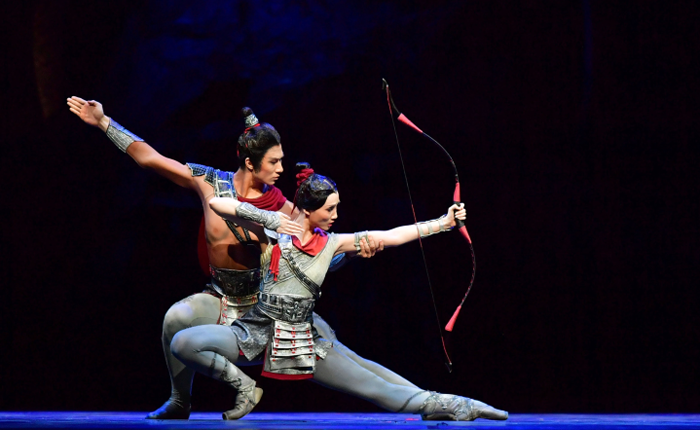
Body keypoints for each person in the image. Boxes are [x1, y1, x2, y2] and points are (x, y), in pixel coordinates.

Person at [66, 97, 418, 420]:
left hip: (265, 305)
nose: (281, 168)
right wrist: (104, 122)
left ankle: (422, 399)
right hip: (220, 295)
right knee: (175, 319)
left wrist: (355, 254)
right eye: (274, 161)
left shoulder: (286, 210)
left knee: (347, 357)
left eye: (281, 160)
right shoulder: (209, 183)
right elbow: (150, 158)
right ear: (250, 162)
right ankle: (180, 400)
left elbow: (315, 259)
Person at [170, 163, 509, 422]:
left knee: (375, 383)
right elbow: (217, 203)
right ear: (308, 209)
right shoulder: (274, 232)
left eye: (336, 208)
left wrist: (443, 223)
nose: (335, 216)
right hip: (255, 330)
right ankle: (244, 387)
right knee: (183, 342)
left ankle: (456, 405)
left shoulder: (332, 243)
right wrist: (269, 219)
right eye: (329, 209)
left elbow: (392, 235)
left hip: (299, 340)